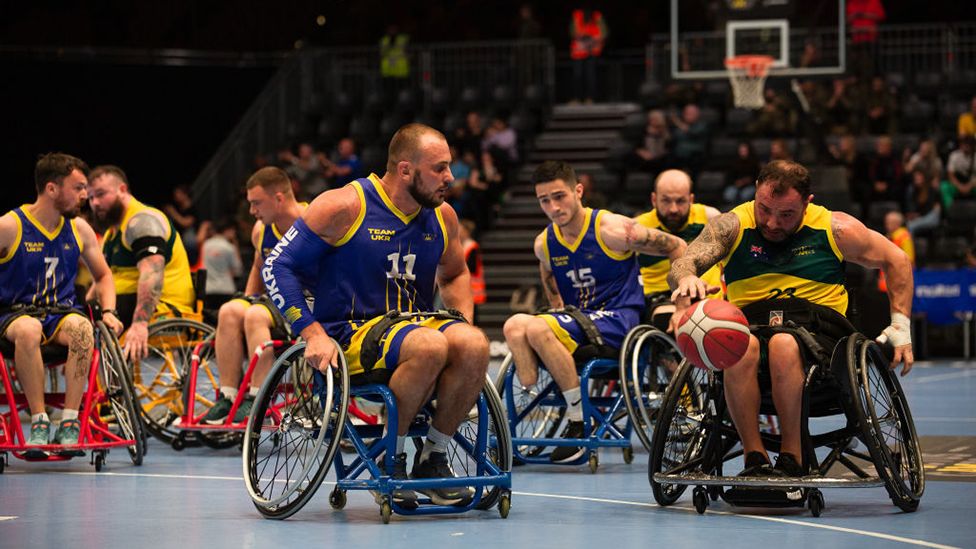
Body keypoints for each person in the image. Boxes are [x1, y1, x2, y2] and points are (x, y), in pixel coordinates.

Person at [265, 123, 488, 508]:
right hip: (349, 333)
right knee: (431, 345)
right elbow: (278, 266)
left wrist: (460, 319)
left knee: (473, 343)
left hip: (412, 327)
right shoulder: (344, 206)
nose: (450, 177)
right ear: (405, 170)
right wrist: (311, 333)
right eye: (439, 168)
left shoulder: (442, 216)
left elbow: (454, 273)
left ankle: (433, 458)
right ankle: (391, 454)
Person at [669, 159, 914, 478]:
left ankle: (792, 457)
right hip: (751, 329)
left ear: (807, 203)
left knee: (785, 343)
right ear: (756, 191)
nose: (771, 223)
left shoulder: (835, 228)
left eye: (786, 215)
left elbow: (897, 259)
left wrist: (901, 325)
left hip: (819, 334)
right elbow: (682, 263)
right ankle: (754, 457)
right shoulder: (732, 225)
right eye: (764, 209)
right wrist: (686, 279)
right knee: (740, 348)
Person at [502, 160, 686, 463]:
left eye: (559, 196)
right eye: (544, 200)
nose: (553, 207)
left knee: (536, 327)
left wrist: (681, 304)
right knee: (513, 324)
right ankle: (530, 391)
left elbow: (677, 245)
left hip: (619, 320)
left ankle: (577, 421)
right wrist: (557, 308)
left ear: (578, 191)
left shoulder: (613, 229)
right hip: (579, 318)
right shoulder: (544, 244)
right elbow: (548, 273)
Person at [0, 153, 123, 456]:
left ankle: (70, 420)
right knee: (28, 329)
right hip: (15, 316)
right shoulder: (9, 226)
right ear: (52, 188)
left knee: (82, 328)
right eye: (78, 188)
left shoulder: (79, 229)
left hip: (61, 315)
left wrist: (108, 311)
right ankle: (39, 420)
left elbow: (104, 275)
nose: (85, 196)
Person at [205, 167, 306, 424]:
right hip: (273, 304)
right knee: (230, 311)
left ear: (279, 198)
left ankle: (257, 397)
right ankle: (228, 396)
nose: (251, 211)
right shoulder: (261, 230)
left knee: (254, 315)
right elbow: (258, 268)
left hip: (305, 303)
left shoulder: (313, 221)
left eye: (256, 203)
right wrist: (249, 297)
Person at [87, 165, 196, 362]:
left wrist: (139, 324)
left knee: (103, 310)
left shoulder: (142, 221)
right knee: (81, 311)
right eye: (91, 197)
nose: (95, 203)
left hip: (164, 304)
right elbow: (99, 282)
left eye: (101, 194)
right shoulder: (112, 234)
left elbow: (151, 275)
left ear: (122, 189)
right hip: (125, 302)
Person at [634, 170, 722, 331]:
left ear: (691, 199)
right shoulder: (638, 229)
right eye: (666, 201)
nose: (673, 209)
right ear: (654, 200)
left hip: (708, 296)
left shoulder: (711, 218)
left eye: (680, 201)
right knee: (667, 318)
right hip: (660, 298)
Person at [200, 218, 243, 312]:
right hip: (226, 289)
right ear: (229, 230)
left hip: (208, 289)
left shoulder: (206, 245)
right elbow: (237, 270)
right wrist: (236, 245)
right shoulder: (229, 247)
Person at [569, 8, 607, 103]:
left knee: (591, 76)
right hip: (579, 51)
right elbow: (572, 31)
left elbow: (604, 32)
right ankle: (577, 98)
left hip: (592, 51)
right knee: (577, 76)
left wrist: (593, 40)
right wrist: (580, 37)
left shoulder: (597, 15)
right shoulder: (577, 15)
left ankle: (590, 98)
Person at [879, 210, 914, 293]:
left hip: (898, 279)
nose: (886, 225)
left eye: (889, 222)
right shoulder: (888, 236)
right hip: (886, 279)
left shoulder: (904, 237)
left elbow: (909, 259)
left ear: (897, 223)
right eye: (886, 222)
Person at [459, 219, 486, 325]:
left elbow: (472, 267)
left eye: (460, 229)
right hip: (464, 287)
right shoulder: (461, 245)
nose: (458, 231)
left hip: (472, 287)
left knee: (473, 316)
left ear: (466, 231)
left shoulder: (472, 246)